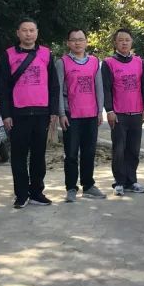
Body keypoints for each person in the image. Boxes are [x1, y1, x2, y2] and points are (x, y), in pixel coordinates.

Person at [0, 18, 59, 209]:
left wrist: (53, 111)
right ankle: (21, 194)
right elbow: (3, 88)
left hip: (41, 113)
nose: (28, 34)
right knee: (18, 156)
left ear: (37, 32)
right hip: (18, 114)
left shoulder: (46, 54)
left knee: (38, 155)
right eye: (24, 30)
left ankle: (37, 193)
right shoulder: (8, 55)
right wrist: (6, 114)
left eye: (32, 30)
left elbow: (54, 85)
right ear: (18, 33)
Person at [57, 29, 108, 202]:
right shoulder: (62, 63)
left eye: (81, 39)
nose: (77, 43)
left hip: (91, 114)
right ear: (68, 43)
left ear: (86, 42)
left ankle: (88, 186)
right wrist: (61, 113)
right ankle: (71, 188)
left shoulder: (94, 62)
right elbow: (58, 90)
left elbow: (99, 88)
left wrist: (99, 111)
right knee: (71, 154)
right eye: (73, 40)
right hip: (71, 115)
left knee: (89, 152)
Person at [102, 29, 144, 196]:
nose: (124, 43)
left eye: (127, 40)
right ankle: (119, 182)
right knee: (119, 150)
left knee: (133, 150)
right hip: (118, 114)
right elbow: (106, 89)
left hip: (137, 113)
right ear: (115, 43)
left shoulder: (139, 62)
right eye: (121, 40)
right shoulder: (108, 63)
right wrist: (109, 110)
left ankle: (132, 180)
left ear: (131, 42)